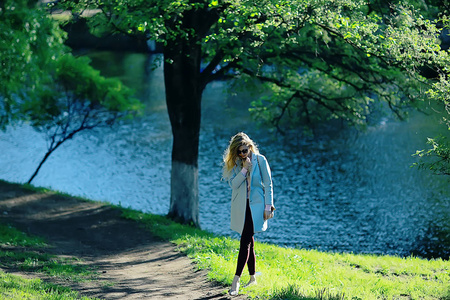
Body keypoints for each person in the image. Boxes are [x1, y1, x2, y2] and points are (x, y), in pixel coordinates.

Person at [222, 132, 274, 296]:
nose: (242, 154)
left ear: (250, 146)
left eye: (244, 150)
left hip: (257, 207)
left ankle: (235, 280)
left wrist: (268, 206)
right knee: (248, 240)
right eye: (239, 152)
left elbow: (268, 184)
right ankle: (252, 278)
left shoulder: (260, 160)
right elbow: (233, 184)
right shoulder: (237, 164)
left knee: (244, 240)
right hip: (241, 207)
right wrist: (244, 170)